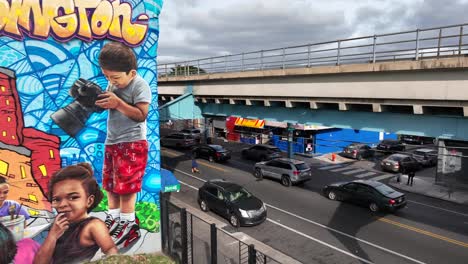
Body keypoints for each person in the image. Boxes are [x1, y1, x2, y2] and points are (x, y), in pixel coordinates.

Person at [95, 41, 151, 248]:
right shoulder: (114, 83)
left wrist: (118, 103)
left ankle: (129, 225)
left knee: (127, 188)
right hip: (113, 141)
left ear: (132, 73)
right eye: (107, 77)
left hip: (132, 143)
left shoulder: (140, 85)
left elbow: (141, 115)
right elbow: (111, 105)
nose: (111, 81)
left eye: (115, 77)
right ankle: (114, 218)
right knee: (110, 184)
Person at [33, 163, 117, 264]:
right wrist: (53, 235)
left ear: (89, 201)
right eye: (57, 199)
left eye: (73, 197)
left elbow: (111, 251)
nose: (62, 204)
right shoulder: (59, 225)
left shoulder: (93, 225)